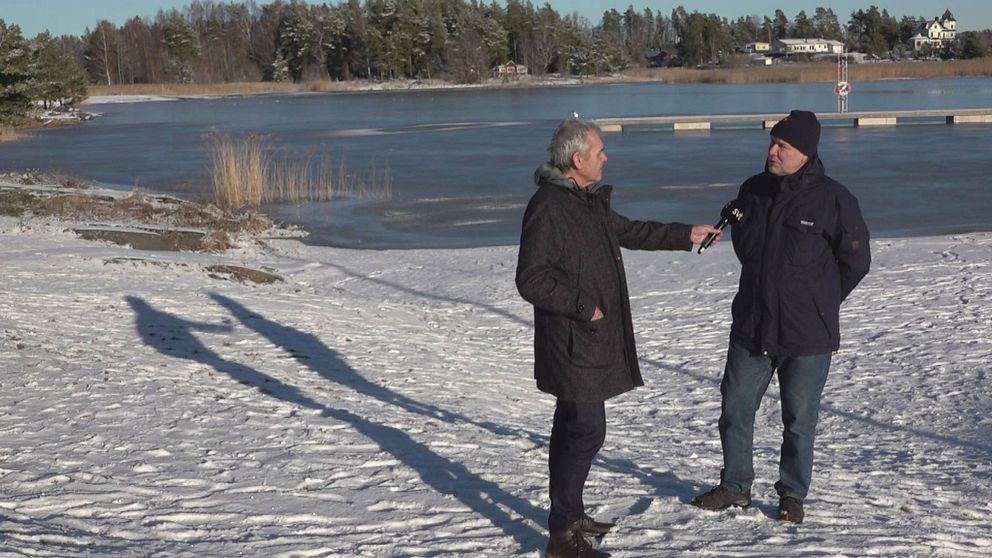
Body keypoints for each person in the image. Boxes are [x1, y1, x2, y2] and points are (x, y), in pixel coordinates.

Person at [516, 118, 722, 557]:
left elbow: (629, 231)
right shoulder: (549, 206)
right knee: (586, 429)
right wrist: (583, 307)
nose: (606, 158)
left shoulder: (585, 201)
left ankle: (568, 517)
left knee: (574, 428)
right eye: (599, 152)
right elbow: (531, 278)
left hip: (587, 341)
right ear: (577, 160)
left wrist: (686, 234)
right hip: (572, 341)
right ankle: (562, 538)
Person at [691, 110, 871, 524]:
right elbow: (749, 251)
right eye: (772, 142)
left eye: (782, 146)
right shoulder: (753, 190)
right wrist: (733, 219)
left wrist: (822, 302)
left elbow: (856, 261)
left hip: (808, 332)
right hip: (752, 324)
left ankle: (792, 494)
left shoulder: (834, 199)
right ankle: (735, 486)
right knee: (735, 407)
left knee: (799, 418)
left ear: (805, 153)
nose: (772, 151)